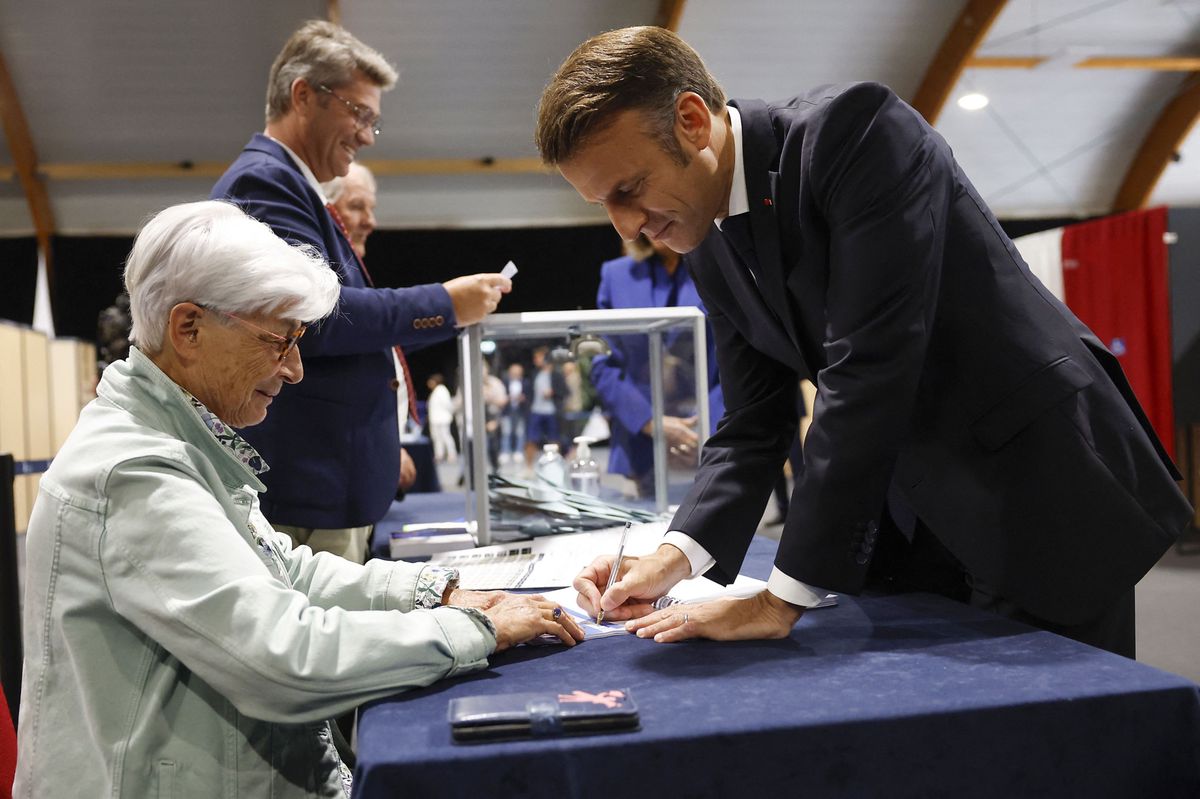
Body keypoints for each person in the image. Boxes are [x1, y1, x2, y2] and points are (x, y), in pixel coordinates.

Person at [537, 26, 1192, 656]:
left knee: (1068, 749)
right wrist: (672, 557)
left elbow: (868, 369)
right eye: (604, 204)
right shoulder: (706, 239)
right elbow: (753, 421)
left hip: (1036, 493)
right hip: (908, 520)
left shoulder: (857, 133)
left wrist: (781, 599)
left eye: (630, 190)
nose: (626, 225)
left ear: (691, 120)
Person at [11, 201, 582, 799]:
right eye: (279, 341)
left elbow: (281, 569)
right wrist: (474, 629)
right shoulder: (134, 472)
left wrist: (432, 593)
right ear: (188, 329)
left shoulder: (173, 436)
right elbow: (282, 658)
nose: (296, 369)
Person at [211, 20, 511, 563]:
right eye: (360, 113)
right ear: (304, 95)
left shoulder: (292, 186)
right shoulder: (264, 183)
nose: (369, 135)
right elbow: (316, 320)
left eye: (374, 119)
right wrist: (444, 304)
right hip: (308, 489)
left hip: (327, 487)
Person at [591, 233, 724, 497]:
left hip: (709, 438)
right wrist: (651, 423)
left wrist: (700, 434)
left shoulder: (719, 265)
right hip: (640, 443)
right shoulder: (616, 275)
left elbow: (740, 357)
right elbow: (603, 366)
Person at [325, 162, 420, 495]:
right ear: (326, 213)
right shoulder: (324, 298)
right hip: (331, 485)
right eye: (356, 207)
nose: (371, 221)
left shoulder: (352, 277)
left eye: (371, 209)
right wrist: (446, 304)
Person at [426, 373, 456, 462]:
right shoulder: (435, 392)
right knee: (437, 437)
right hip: (435, 419)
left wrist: (449, 414)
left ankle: (452, 454)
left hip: (442, 419)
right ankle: (439, 454)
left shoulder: (442, 390)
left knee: (445, 436)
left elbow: (448, 405)